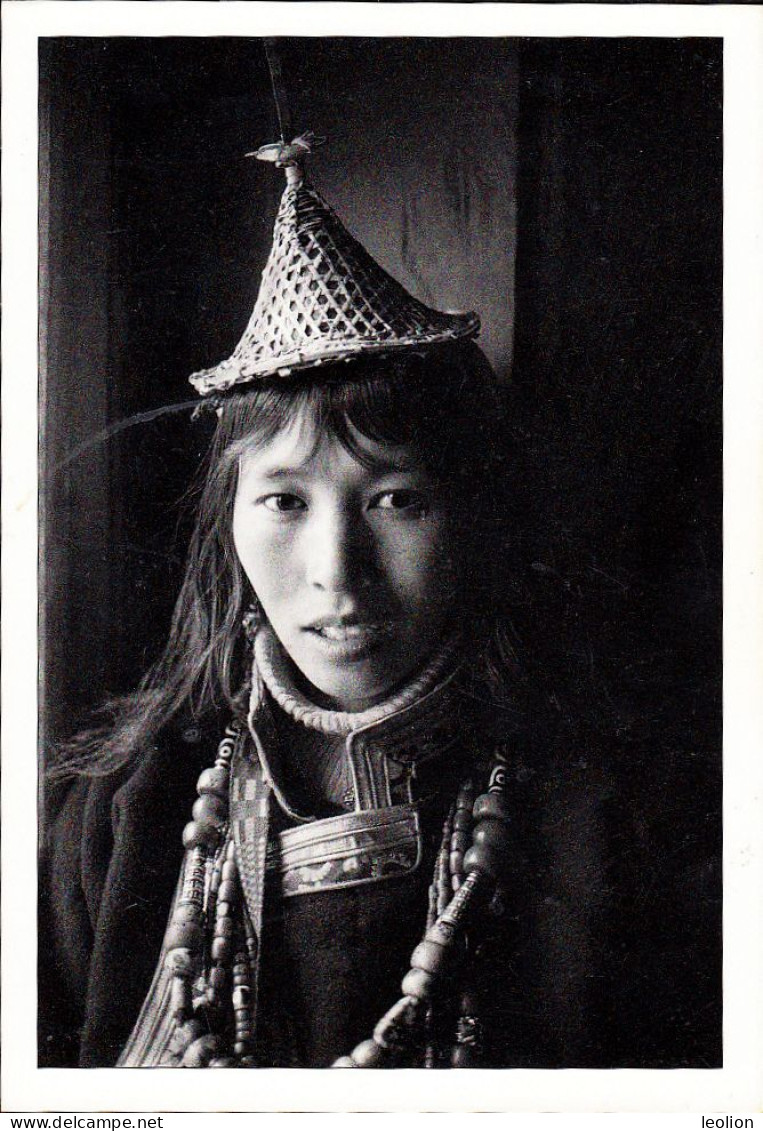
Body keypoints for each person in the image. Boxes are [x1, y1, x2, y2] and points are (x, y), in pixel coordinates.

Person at [40, 136, 609, 1070]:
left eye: (396, 500)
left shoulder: (597, 809)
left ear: (469, 514)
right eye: (284, 501)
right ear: (228, 522)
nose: (336, 573)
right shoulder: (119, 809)